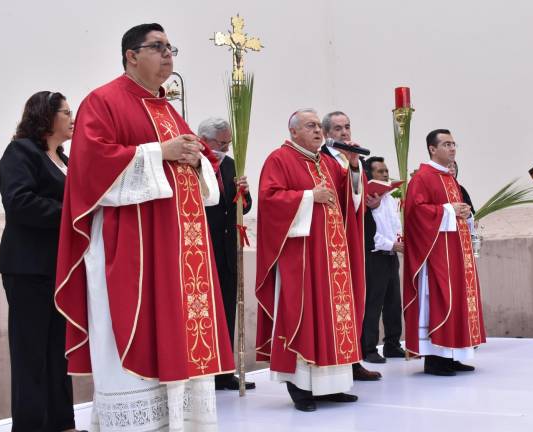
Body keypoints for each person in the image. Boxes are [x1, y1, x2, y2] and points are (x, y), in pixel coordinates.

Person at [55, 23, 234, 431]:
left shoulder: (167, 107)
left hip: (179, 254)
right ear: (131, 56)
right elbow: (90, 168)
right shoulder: (103, 101)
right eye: (158, 47)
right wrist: (161, 153)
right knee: (131, 333)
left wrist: (196, 159)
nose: (168, 54)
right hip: (132, 249)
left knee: (180, 334)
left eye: (171, 47)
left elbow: (201, 165)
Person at [255, 109, 365, 412]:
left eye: (319, 126)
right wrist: (306, 197)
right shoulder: (279, 159)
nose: (318, 131)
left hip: (333, 260)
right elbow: (269, 199)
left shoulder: (329, 162)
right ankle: (301, 389)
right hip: (302, 259)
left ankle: (334, 386)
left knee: (332, 319)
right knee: (303, 318)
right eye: (311, 126)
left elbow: (348, 199)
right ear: (293, 132)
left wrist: (354, 168)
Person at [0, 91, 75, 432]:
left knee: (60, 351)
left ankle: (63, 423)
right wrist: (71, 215)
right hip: (27, 268)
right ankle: (30, 426)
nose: (72, 119)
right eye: (66, 112)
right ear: (47, 117)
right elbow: (20, 202)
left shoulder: (66, 159)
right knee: (31, 353)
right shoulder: (21, 152)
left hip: (60, 269)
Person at [403, 129, 486, 377]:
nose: (452, 149)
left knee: (458, 300)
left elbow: (455, 211)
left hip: (457, 254)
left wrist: (464, 213)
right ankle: (436, 359)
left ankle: (454, 354)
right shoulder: (423, 177)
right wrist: (449, 210)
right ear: (432, 149)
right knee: (439, 301)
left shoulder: (449, 178)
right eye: (446, 144)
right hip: (437, 255)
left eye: (453, 144)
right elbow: (416, 212)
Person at [321, 110, 382, 380]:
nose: (345, 133)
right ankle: (338, 361)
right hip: (329, 243)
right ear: (326, 134)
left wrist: (356, 165)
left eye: (347, 127)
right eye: (337, 129)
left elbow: (356, 201)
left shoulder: (351, 161)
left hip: (352, 240)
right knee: (335, 303)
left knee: (356, 298)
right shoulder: (321, 160)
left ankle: (354, 359)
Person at [198, 117, 255, 391]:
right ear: (204, 140)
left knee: (228, 310)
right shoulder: (192, 163)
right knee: (204, 313)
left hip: (228, 250)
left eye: (228, 143)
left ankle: (224, 372)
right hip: (201, 250)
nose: (226, 148)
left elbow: (245, 207)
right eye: (221, 143)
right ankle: (203, 372)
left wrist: (244, 192)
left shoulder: (231, 165)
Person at [361, 156, 405, 363]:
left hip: (391, 256)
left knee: (393, 302)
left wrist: (400, 242)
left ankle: (392, 345)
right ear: (369, 175)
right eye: (380, 171)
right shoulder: (366, 199)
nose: (386, 174)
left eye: (386, 170)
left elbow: (393, 226)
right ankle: (369, 349)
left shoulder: (389, 197)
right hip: (375, 256)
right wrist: (392, 245)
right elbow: (370, 233)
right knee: (373, 303)